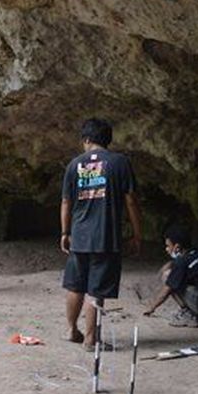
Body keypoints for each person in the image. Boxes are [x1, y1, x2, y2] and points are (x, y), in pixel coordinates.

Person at [61, 118, 142, 351]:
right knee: (96, 289)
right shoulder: (120, 163)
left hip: (79, 236)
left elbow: (66, 202)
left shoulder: (74, 165)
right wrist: (137, 234)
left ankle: (71, 330)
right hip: (106, 237)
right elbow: (131, 201)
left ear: (86, 140)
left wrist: (65, 232)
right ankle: (90, 339)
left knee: (75, 285)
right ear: (107, 140)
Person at [143, 225, 198, 327]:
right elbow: (181, 263)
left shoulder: (182, 263)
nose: (166, 249)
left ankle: (189, 314)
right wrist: (170, 264)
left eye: (168, 246)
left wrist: (151, 307)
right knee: (178, 277)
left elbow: (166, 290)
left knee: (168, 276)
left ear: (177, 247)